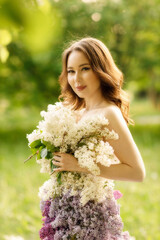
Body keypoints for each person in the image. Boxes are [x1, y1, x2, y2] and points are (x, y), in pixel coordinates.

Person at [39, 37, 146, 240]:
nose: (76, 79)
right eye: (71, 71)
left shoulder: (109, 113)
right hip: (63, 212)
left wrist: (80, 165)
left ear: (100, 69)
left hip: (91, 216)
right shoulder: (73, 111)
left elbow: (137, 172)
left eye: (85, 68)